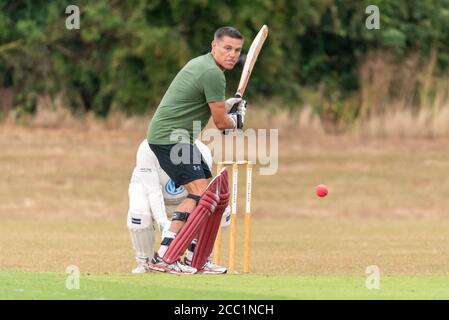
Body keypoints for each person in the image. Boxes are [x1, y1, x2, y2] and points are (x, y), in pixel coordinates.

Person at [146, 26, 246, 274]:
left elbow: (216, 111)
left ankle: (196, 258)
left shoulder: (205, 65)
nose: (232, 54)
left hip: (180, 139)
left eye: (237, 50)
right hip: (170, 138)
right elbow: (222, 124)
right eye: (227, 48)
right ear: (214, 46)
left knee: (212, 198)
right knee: (203, 197)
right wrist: (238, 120)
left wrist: (229, 109)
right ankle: (164, 257)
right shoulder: (213, 73)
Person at [127, 139, 230, 274]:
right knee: (139, 215)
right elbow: (153, 190)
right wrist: (163, 222)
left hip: (184, 198)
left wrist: (188, 221)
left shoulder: (202, 150)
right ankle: (145, 263)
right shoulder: (147, 148)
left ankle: (197, 259)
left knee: (220, 212)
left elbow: (200, 192)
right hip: (146, 190)